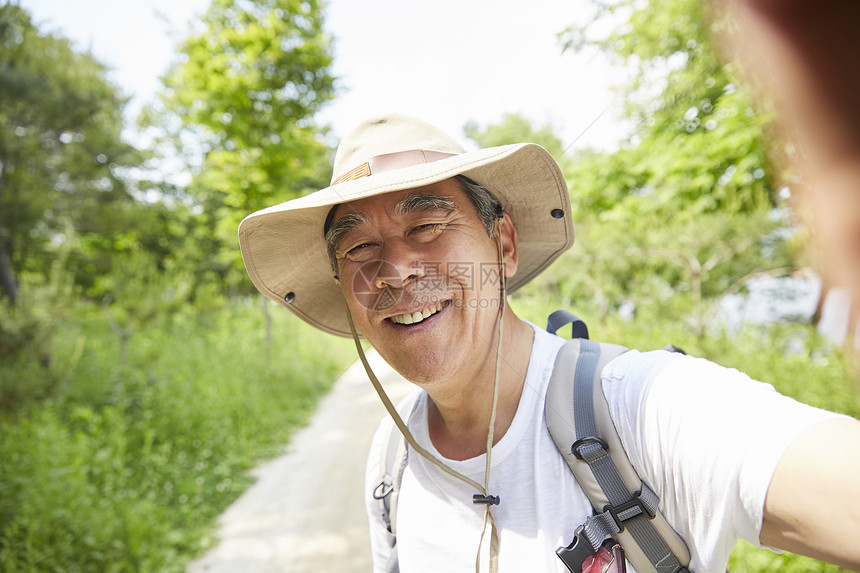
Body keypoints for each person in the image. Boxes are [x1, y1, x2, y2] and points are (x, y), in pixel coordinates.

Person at [237, 113, 860, 573]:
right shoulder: (392, 462)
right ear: (348, 290)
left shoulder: (644, 409)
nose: (395, 270)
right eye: (359, 248)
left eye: (426, 224)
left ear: (503, 246)